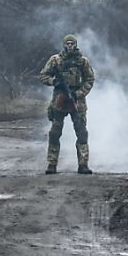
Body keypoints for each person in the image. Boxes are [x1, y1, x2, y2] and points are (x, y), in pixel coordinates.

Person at [38, 34, 96, 174]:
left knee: (82, 133)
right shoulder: (55, 60)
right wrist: (54, 82)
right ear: (64, 45)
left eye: (72, 44)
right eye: (67, 44)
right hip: (59, 100)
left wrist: (79, 93)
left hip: (77, 101)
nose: (70, 46)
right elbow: (43, 75)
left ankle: (83, 165)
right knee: (55, 133)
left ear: (75, 45)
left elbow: (90, 80)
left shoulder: (83, 62)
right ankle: (52, 164)